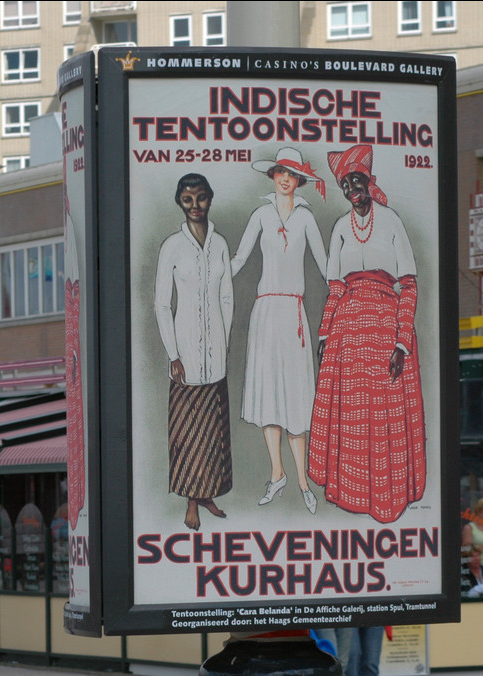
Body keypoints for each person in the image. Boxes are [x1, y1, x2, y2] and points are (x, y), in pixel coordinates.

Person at [309, 144, 426, 524]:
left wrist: (401, 343)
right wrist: (325, 332)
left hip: (383, 330)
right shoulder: (341, 227)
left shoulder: (390, 220)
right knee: (350, 416)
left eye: (357, 180)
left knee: (383, 414)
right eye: (346, 182)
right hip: (347, 331)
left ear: (368, 181)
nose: (352, 188)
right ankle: (350, 493)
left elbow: (408, 285)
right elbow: (336, 288)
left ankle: (385, 497)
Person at [230, 147, 328, 513]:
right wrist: (216, 280)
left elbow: (325, 263)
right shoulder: (260, 214)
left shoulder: (305, 218)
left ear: (299, 179)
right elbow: (240, 258)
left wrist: (349, 290)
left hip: (293, 312)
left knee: (296, 399)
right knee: (269, 396)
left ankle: (303, 482)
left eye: (292, 174)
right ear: (272, 176)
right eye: (279, 173)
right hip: (266, 310)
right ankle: (277, 475)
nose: (285, 179)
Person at [154, 173, 234, 531]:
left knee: (213, 430)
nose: (196, 206)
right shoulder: (172, 246)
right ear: (179, 203)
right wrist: (173, 353)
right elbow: (161, 304)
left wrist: (224, 341)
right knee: (189, 430)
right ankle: (191, 502)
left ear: (210, 198)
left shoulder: (219, 244)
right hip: (185, 350)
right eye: (188, 200)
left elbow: (227, 297)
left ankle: (209, 493)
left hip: (215, 349)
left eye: (201, 198)